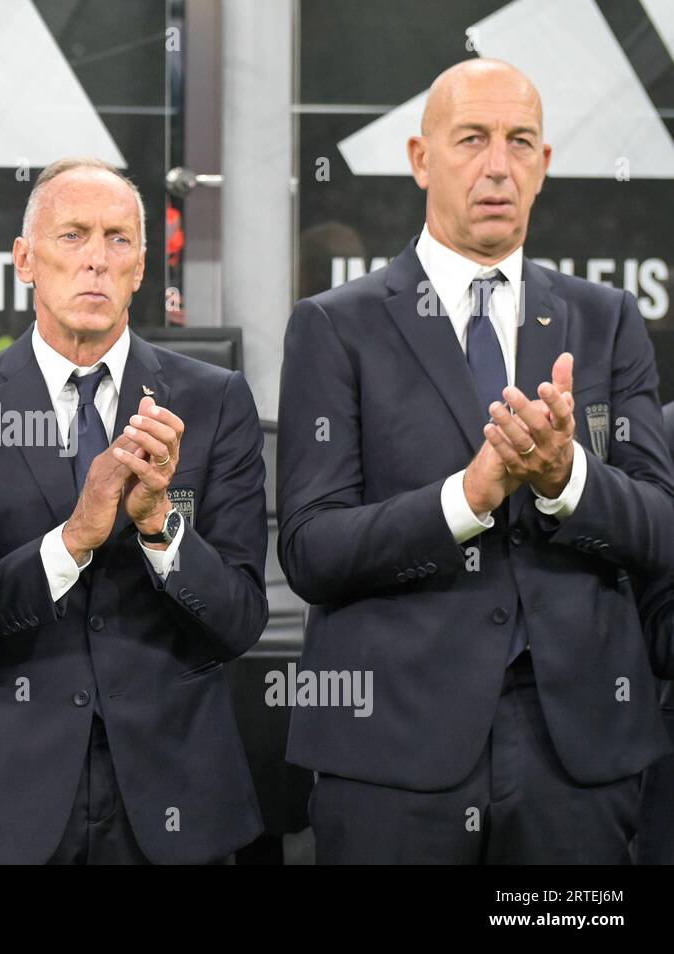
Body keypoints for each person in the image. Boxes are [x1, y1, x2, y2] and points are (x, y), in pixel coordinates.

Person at [278, 59, 674, 863]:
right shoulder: (335, 326)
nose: (498, 165)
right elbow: (311, 550)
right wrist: (465, 497)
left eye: (519, 141)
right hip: (395, 757)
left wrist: (568, 482)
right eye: (472, 140)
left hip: (576, 762)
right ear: (422, 158)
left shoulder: (605, 320)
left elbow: (661, 526)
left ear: (544, 167)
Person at [0, 157, 269, 864]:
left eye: (118, 240)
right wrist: (72, 540)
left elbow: (239, 621)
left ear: (141, 269)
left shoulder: (215, 400)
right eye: (73, 236)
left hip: (174, 796)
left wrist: (162, 525)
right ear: (25, 260)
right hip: (1, 800)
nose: (97, 262)